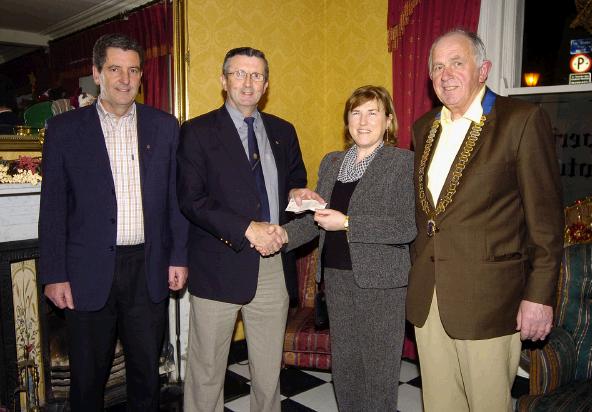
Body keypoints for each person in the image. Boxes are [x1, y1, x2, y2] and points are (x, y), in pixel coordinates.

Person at [408, 29, 564, 411]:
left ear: (483, 69)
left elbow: (545, 221)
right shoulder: (424, 128)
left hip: (490, 302)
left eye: (457, 63)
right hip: (429, 299)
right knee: (439, 405)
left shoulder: (521, 121)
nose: (446, 74)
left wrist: (539, 296)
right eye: (437, 67)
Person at [38, 33, 189, 411]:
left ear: (141, 76)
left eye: (133, 70)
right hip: (86, 270)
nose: (125, 78)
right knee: (88, 378)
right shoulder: (64, 130)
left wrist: (178, 257)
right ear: (96, 73)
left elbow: (176, 199)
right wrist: (54, 273)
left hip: (147, 267)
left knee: (145, 374)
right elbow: (53, 206)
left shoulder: (165, 126)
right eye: (115, 69)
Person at [177, 47, 314, 412]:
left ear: (266, 84)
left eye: (256, 75)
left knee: (269, 371)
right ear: (223, 81)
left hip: (272, 265)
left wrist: (299, 194)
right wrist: (246, 228)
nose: (248, 82)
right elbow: (192, 200)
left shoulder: (283, 131)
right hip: (219, 263)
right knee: (207, 371)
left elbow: (294, 183)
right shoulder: (197, 132)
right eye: (239, 74)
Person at [282, 85, 416, 411]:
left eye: (373, 112)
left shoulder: (403, 163)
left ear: (388, 121)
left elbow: (405, 227)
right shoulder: (332, 162)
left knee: (378, 371)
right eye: (356, 113)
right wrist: (280, 236)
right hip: (338, 281)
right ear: (347, 120)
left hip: (382, 286)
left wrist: (347, 223)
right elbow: (316, 219)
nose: (363, 121)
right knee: (346, 367)